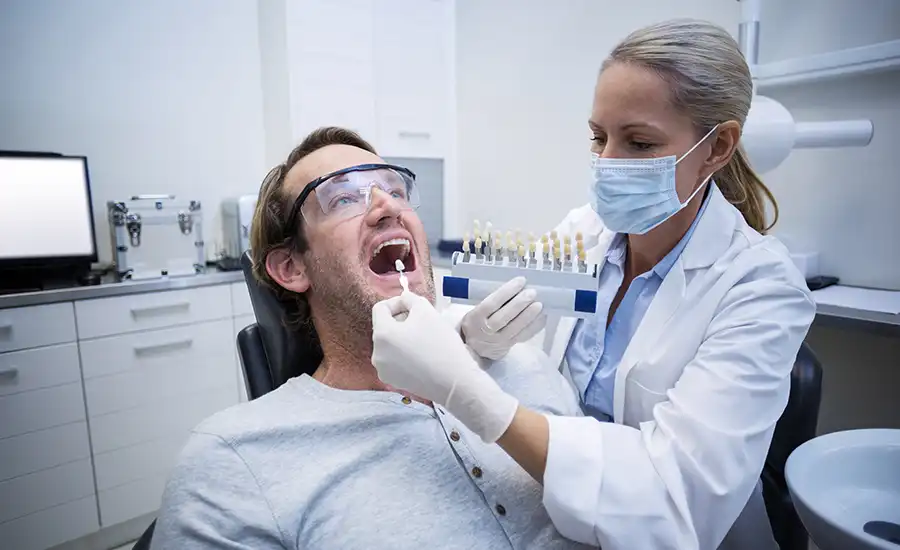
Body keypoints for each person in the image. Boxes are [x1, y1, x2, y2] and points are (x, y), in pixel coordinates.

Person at [371, 19, 817, 550]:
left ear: (718, 146)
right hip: (554, 521)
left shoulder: (761, 288)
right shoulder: (585, 231)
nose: (606, 163)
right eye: (598, 137)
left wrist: (476, 401)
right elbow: (532, 366)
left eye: (639, 142)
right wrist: (478, 339)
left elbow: (674, 502)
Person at [149, 127, 595, 550]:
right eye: (342, 198)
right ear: (292, 268)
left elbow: (632, 506)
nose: (387, 206)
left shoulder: (528, 372)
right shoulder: (234, 461)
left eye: (396, 190)